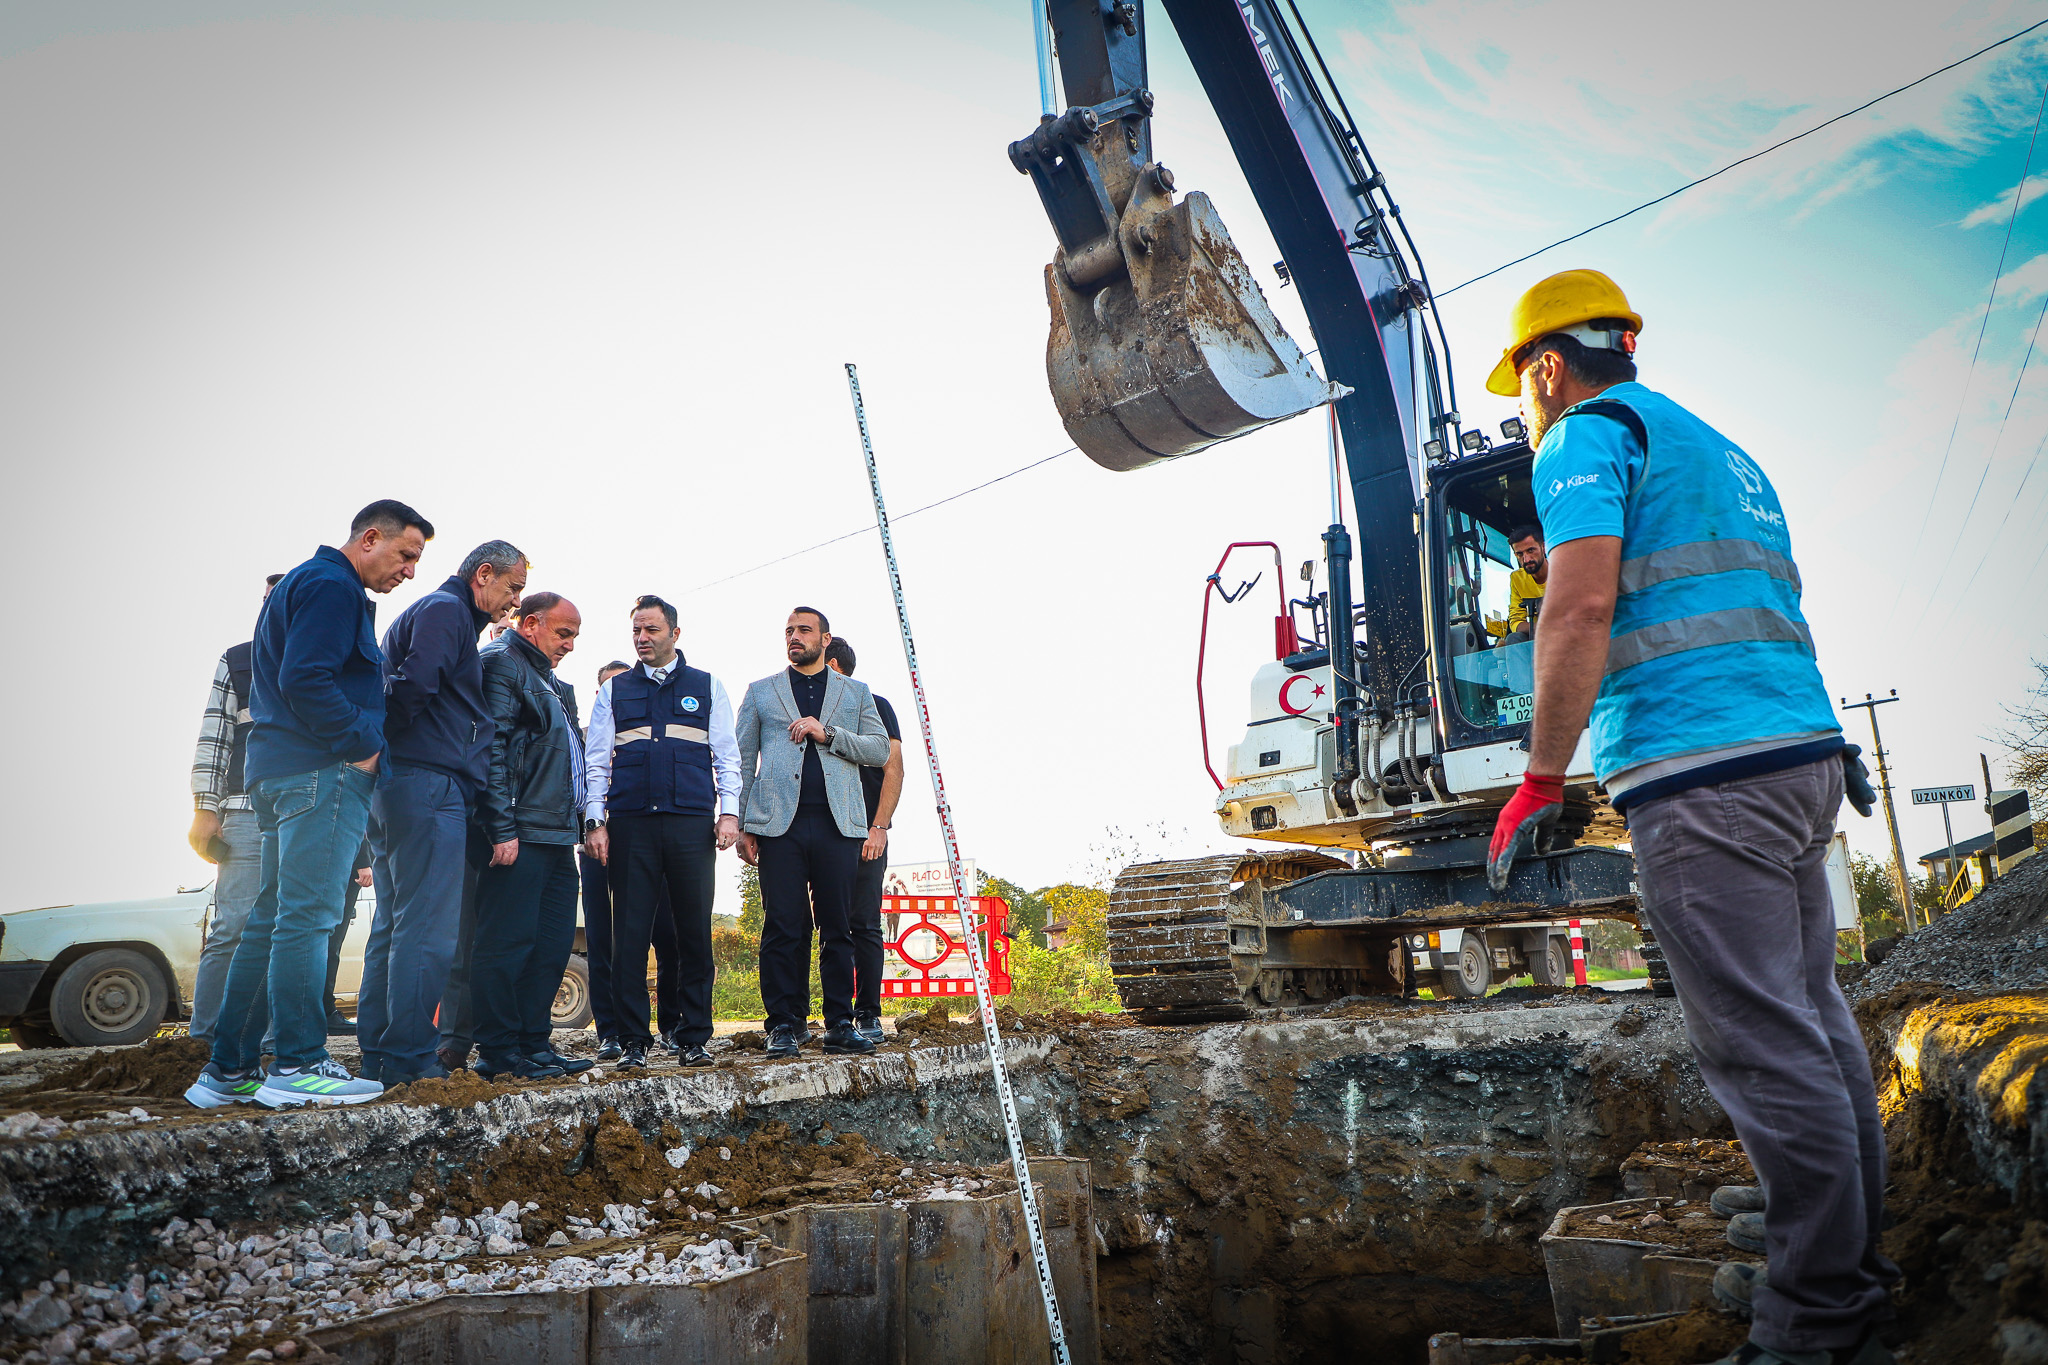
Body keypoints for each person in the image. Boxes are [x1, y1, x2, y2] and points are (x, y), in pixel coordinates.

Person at [1482, 270, 1893, 1365]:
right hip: (1794, 755)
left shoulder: (1577, 437)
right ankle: (1846, 1255)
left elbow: (1578, 607)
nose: (1525, 405)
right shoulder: (1717, 449)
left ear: (1545, 366)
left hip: (1699, 771)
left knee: (1761, 1046)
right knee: (1810, 1020)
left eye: (1523, 385)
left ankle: (1815, 1326)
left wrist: (1538, 775)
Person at [184, 500, 431, 1110]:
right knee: (309, 918)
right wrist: (363, 746)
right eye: (406, 555)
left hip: (281, 774)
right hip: (321, 773)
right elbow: (306, 679)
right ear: (370, 538)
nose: (410, 572)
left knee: (271, 919)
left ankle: (228, 1069)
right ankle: (297, 1062)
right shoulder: (331, 586)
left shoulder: (304, 582)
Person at [357, 540, 526, 1086]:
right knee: (428, 929)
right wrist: (388, 747)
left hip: (405, 784)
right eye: (512, 587)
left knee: (397, 923)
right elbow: (412, 687)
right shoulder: (447, 611)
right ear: (483, 574)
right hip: (427, 783)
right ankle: (410, 1058)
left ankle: (381, 1056)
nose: (513, 601)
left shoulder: (436, 613)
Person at [583, 596, 741, 1070]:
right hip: (630, 826)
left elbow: (727, 757)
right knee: (628, 938)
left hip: (691, 825)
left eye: (651, 629)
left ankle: (692, 1038)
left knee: (693, 934)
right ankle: (633, 1041)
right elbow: (596, 762)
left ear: (675, 633)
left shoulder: (707, 687)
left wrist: (729, 814)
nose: (642, 638)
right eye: (636, 630)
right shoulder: (615, 692)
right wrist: (596, 821)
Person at [735, 608, 891, 1059]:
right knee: (782, 926)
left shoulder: (856, 693)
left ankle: (841, 1023)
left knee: (838, 927)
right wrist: (744, 822)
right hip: (778, 826)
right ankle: (783, 1025)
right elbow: (744, 760)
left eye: (804, 630)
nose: (794, 637)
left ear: (825, 639)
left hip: (838, 825)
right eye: (788, 631)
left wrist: (829, 734)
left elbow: (879, 749)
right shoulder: (761, 692)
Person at [467, 592, 594, 1080]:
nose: (570, 645)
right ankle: (498, 1052)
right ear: (530, 624)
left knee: (551, 945)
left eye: (575, 636)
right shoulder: (501, 664)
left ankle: (535, 1046)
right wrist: (501, 827)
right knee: (507, 944)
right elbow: (490, 749)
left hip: (557, 834)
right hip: (518, 832)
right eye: (563, 633)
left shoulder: (550, 681)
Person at [186, 572, 283, 1042]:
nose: (271, 608)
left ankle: (268, 1045)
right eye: (265, 600)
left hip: (306, 816)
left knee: (294, 931)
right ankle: (204, 1041)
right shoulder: (238, 660)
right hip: (244, 814)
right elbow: (215, 737)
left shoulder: (326, 659)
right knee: (232, 928)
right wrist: (206, 810)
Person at [580, 660, 689, 1062]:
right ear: (601, 695)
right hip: (596, 850)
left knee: (670, 936)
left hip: (648, 844)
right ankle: (611, 1031)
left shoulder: (655, 739)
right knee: (606, 941)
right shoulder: (586, 739)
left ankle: (673, 1025)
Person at [822, 637, 904, 1045]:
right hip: (820, 835)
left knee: (865, 923)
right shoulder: (808, 711)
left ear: (832, 663)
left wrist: (880, 826)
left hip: (865, 833)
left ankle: (868, 1013)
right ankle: (814, 1019)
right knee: (820, 926)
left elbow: (893, 769)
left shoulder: (875, 705)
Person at [1504, 525, 1547, 643]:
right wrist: (1542, 628)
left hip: (1569, 634)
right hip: (1539, 636)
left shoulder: (1564, 572)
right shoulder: (1517, 579)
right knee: (1514, 638)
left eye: (1531, 550)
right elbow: (1515, 621)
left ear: (1543, 547)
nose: (1526, 559)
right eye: (1520, 554)